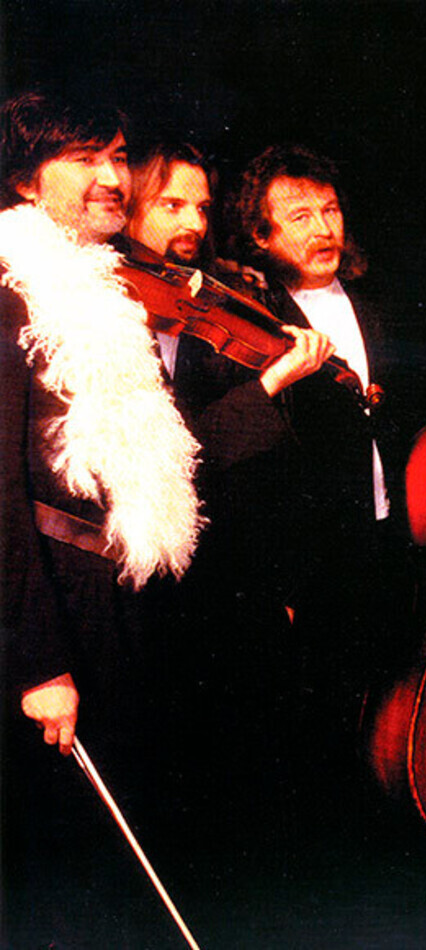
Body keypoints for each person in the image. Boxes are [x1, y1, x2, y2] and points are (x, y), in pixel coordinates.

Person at [0, 91, 206, 945]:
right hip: (55, 615)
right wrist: (38, 663)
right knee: (70, 884)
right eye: (84, 158)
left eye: (117, 157)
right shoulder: (10, 290)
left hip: (121, 606)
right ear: (25, 180)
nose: (112, 177)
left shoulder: (109, 289)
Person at [121, 141, 338, 875]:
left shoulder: (214, 299)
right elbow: (174, 453)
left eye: (202, 206)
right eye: (171, 204)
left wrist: (280, 587)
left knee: (253, 790)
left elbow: (265, 472)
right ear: (129, 203)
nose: (192, 222)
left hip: (234, 582)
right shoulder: (100, 311)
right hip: (150, 591)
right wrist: (268, 386)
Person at [225, 143, 410, 824]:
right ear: (261, 233)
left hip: (393, 544)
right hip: (312, 571)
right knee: (322, 743)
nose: (323, 228)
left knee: (395, 721)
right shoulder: (251, 318)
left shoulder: (374, 303)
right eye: (299, 216)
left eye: (329, 210)